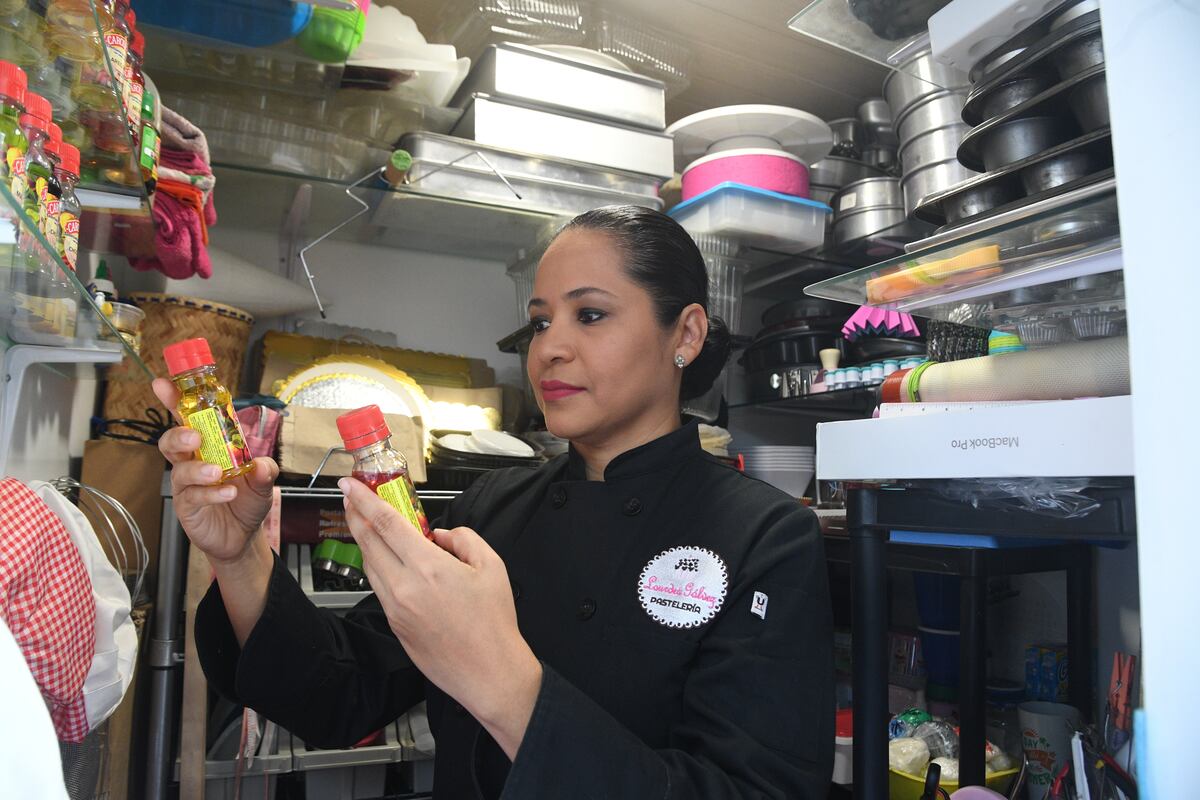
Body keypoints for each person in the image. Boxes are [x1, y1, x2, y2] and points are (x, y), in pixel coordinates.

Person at [154, 205, 834, 798]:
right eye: (540, 324)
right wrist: (240, 555)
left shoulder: (765, 539)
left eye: (590, 315)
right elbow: (339, 693)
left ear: (684, 335)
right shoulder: (490, 511)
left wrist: (502, 680)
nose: (550, 351)